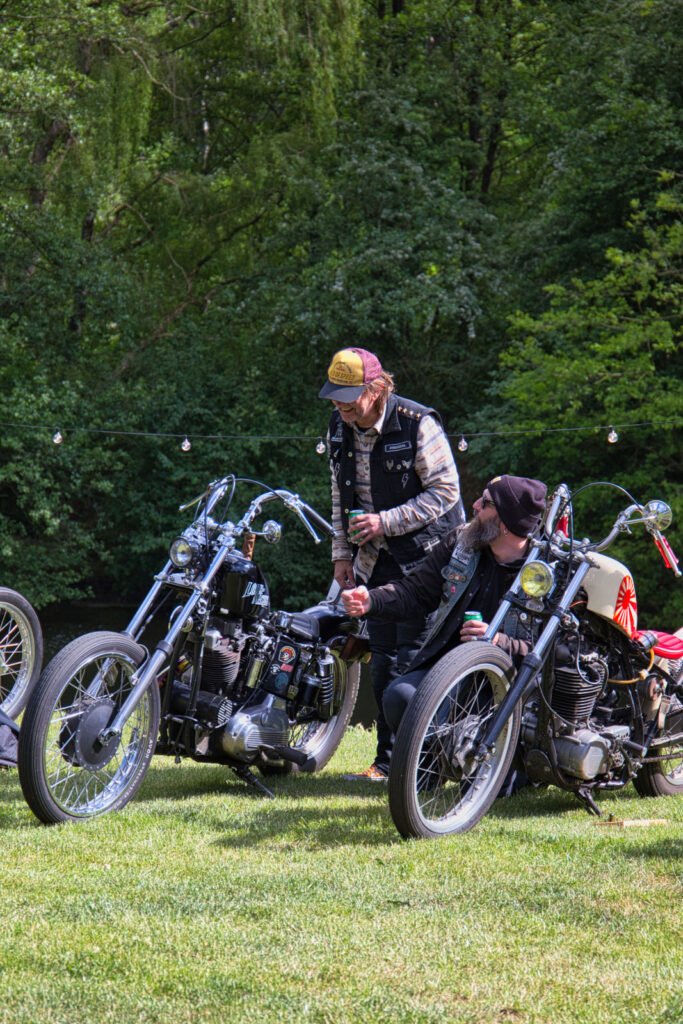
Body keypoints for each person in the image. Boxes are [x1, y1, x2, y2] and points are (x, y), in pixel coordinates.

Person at [319, 347, 465, 781]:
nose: (340, 406)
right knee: (381, 659)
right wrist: (341, 553)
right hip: (373, 559)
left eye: (349, 397)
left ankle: (423, 763)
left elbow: (447, 494)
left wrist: (385, 521)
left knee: (416, 658)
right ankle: (386, 764)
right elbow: (337, 495)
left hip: (429, 559)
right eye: (335, 396)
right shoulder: (338, 426)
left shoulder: (419, 423)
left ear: (377, 388)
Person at [340, 474, 547, 740]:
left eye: (485, 502)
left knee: (507, 776)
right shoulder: (462, 542)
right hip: (450, 672)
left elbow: (549, 652)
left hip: (507, 688)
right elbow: (415, 590)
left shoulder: (544, 575)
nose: (474, 505)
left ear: (505, 522)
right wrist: (371, 599)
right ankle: (429, 769)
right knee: (400, 696)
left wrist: (498, 641)